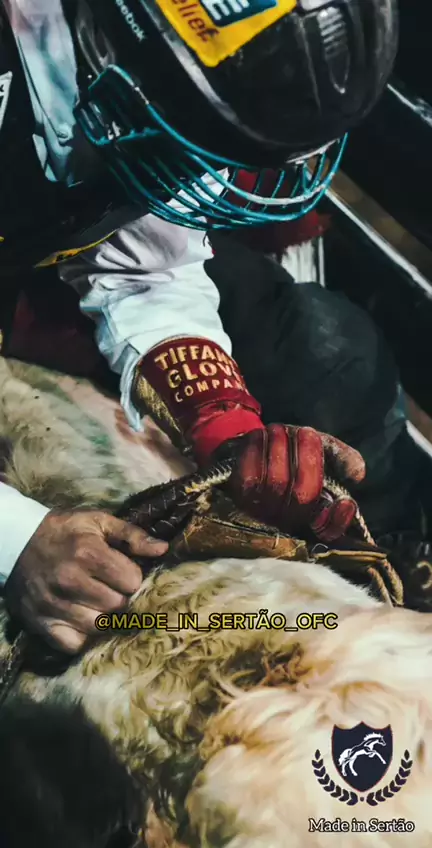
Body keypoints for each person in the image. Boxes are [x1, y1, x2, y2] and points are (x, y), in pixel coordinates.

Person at [0, 0, 398, 653]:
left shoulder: (112, 69)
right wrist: (17, 541)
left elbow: (138, 265)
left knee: (330, 354)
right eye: (190, 135)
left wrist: (222, 420)